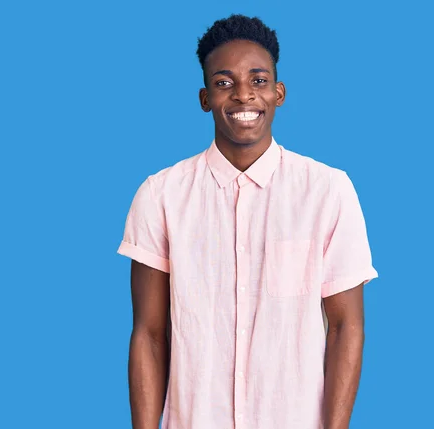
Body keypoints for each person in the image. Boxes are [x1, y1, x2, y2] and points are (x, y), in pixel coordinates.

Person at [117, 14, 378, 429]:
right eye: (224, 83)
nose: (243, 96)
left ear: (279, 92)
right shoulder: (160, 195)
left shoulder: (328, 191)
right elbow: (149, 334)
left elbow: (346, 328)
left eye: (258, 81)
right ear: (204, 98)